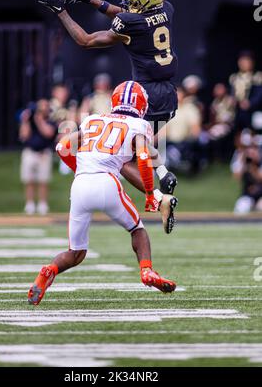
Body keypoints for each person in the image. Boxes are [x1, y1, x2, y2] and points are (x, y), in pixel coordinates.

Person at [28, 81, 177, 305]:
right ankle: (147, 271)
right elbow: (145, 157)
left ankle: (48, 271)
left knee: (76, 252)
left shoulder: (92, 119)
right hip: (107, 182)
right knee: (137, 230)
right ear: (142, 104)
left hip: (80, 185)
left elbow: (62, 147)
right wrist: (149, 195)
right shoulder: (139, 124)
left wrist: (81, 169)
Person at [37, 0, 179, 202]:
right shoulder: (166, 9)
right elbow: (128, 14)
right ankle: (162, 173)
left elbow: (86, 40)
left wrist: (60, 12)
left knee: (119, 157)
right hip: (169, 94)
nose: (126, 3)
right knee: (133, 141)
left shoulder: (132, 24)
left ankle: (160, 198)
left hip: (147, 96)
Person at [19, 99, 57, 215]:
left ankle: (42, 205)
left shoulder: (51, 121)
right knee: (29, 180)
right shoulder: (29, 121)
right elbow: (24, 135)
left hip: (44, 153)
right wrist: (25, 121)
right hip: (30, 152)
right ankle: (29, 205)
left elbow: (48, 133)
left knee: (43, 180)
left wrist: (39, 120)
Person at [229, 51, 262, 132]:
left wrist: (250, 103)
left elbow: (259, 94)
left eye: (246, 61)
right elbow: (232, 93)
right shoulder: (234, 78)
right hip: (238, 112)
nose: (243, 63)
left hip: (253, 112)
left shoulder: (257, 77)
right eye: (241, 61)